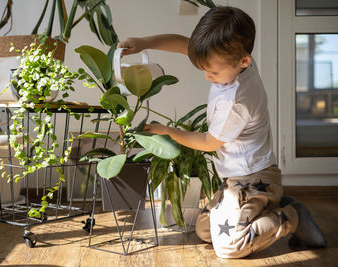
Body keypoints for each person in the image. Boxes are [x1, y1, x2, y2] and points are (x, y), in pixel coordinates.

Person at [118, 5, 326, 259]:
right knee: (205, 231)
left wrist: (167, 132)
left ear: (244, 61)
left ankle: (291, 217)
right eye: (204, 69)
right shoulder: (238, 58)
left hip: (253, 178)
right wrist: (144, 42)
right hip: (234, 179)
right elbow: (186, 45)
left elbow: (208, 142)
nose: (207, 76)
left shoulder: (236, 100)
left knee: (229, 247)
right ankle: (265, 207)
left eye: (213, 72)